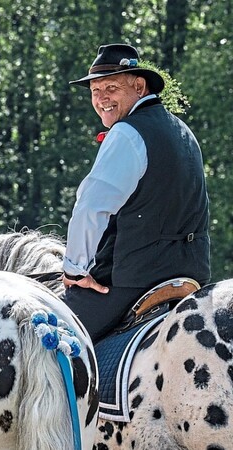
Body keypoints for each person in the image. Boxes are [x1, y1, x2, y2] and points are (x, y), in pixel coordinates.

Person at [62, 43, 210, 341]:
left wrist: (75, 270)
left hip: (135, 281)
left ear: (139, 86)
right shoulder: (183, 130)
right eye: (95, 91)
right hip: (192, 275)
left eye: (111, 87)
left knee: (48, 337)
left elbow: (91, 208)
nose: (101, 98)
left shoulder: (127, 133)